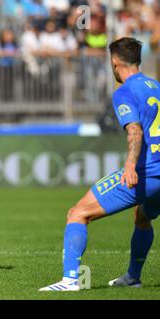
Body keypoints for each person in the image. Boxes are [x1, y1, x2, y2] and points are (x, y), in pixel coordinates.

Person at [40, 37, 160, 291]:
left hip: (148, 171)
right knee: (142, 216)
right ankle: (133, 277)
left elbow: (135, 131)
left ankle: (71, 279)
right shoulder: (157, 87)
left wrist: (129, 166)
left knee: (77, 213)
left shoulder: (125, 92)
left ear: (115, 62)